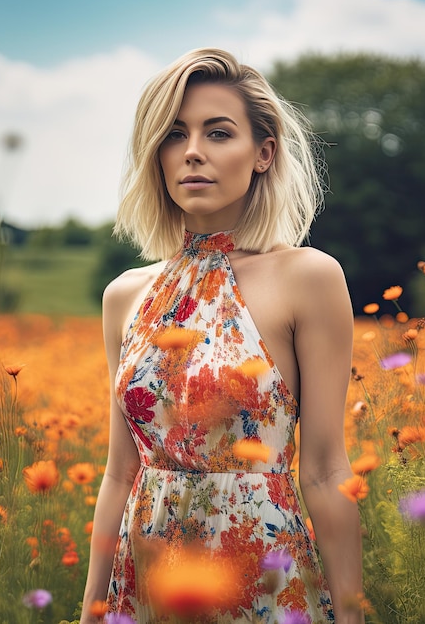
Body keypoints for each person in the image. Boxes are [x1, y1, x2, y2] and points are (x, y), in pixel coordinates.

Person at [80, 47, 363, 624]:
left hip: (260, 573)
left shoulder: (307, 278)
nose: (192, 152)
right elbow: (120, 472)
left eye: (218, 133)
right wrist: (92, 609)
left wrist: (351, 614)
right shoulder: (124, 296)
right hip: (148, 574)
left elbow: (327, 469)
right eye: (174, 134)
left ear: (262, 154)